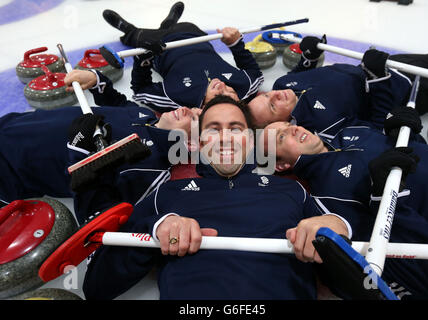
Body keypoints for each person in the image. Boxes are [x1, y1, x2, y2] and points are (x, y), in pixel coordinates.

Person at [76, 95, 350, 300]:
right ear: (199, 142)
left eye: (235, 128)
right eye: (213, 129)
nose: (225, 138)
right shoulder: (166, 194)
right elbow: (97, 287)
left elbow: (349, 284)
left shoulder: (294, 191)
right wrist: (156, 230)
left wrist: (337, 230)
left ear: (251, 140)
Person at [259, 115, 428, 299]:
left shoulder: (350, 130)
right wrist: (385, 199)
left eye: (288, 124)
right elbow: (415, 288)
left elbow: (417, 151)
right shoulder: (326, 204)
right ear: (281, 165)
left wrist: (406, 135)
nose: (293, 129)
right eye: (281, 137)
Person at [0, 69, 199, 223]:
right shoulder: (145, 116)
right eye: (191, 108)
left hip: (9, 168)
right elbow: (117, 101)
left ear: (190, 143)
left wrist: (80, 152)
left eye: (194, 118)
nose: (185, 109)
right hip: (11, 123)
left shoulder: (150, 169)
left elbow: (96, 212)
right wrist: (96, 79)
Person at [246, 36, 428, 141]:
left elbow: (299, 73)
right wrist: (379, 80)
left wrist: (309, 57)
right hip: (412, 89)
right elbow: (378, 130)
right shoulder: (321, 127)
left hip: (393, 64)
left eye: (266, 95)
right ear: (277, 124)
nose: (276, 94)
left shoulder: (281, 84)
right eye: (272, 105)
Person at [102, 2, 264, 112]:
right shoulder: (245, 89)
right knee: (185, 24)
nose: (223, 86)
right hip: (192, 34)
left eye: (219, 95)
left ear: (204, 108)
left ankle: (128, 29)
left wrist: (143, 59)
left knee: (139, 36)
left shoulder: (178, 100)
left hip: (161, 46)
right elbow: (254, 72)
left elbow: (140, 91)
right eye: (231, 91)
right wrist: (235, 44)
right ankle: (169, 23)